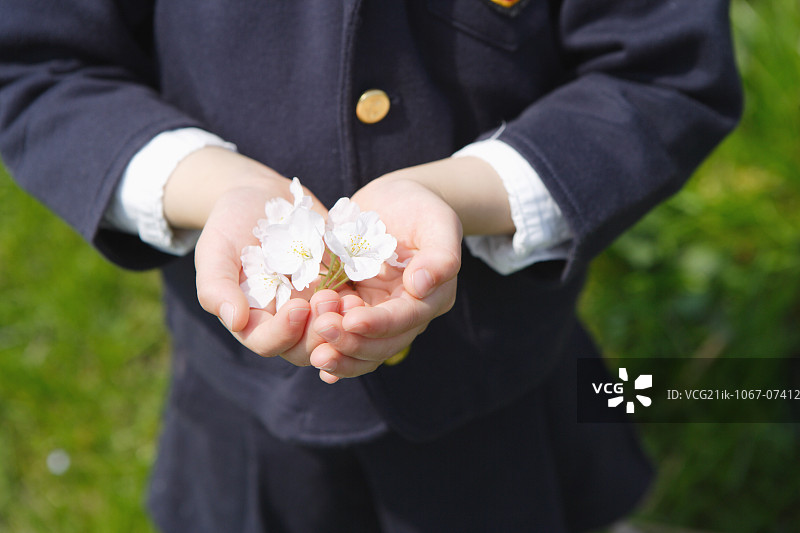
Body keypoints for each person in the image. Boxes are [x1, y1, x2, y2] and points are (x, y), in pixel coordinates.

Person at [0, 1, 742, 531]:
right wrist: (217, 187)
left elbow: (664, 73)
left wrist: (457, 194)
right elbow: (40, 66)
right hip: (241, 411)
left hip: (499, 383)